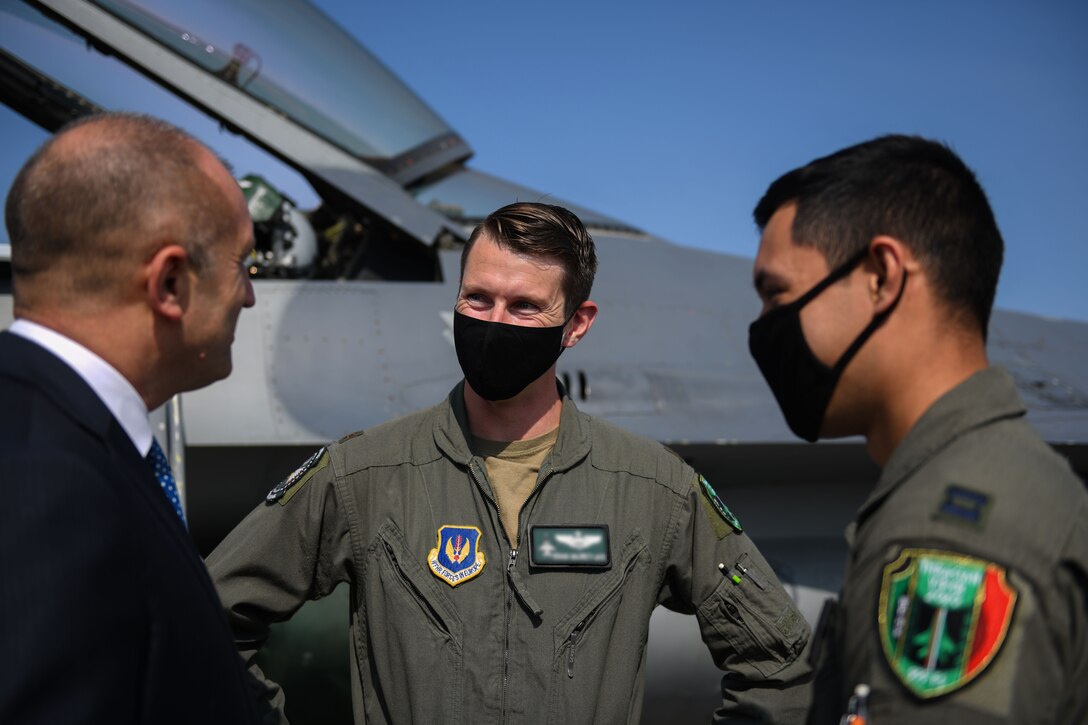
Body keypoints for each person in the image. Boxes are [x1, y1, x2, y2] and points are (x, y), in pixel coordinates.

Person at [207, 201, 812, 723]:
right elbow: (205, 615)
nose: (495, 323)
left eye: (524, 308)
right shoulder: (365, 475)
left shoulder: (653, 489)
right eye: (478, 298)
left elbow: (778, 660)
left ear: (577, 324)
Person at [747, 134, 1088, 723]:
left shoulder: (953, 536)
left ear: (881, 275)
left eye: (777, 293)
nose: (763, 327)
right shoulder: (991, 482)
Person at [0, 113, 264, 723]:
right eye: (242, 265)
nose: (249, 295)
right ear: (169, 282)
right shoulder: (43, 485)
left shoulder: (66, 442)